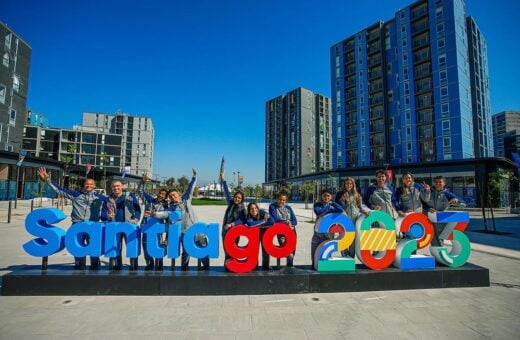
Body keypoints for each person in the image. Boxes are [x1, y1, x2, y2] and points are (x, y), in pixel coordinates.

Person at [37, 167, 108, 270]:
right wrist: (48, 180)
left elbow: (112, 201)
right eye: (87, 184)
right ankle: (80, 264)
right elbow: (59, 190)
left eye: (91, 184)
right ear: (84, 185)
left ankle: (95, 264)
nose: (88, 185)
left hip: (92, 226)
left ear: (94, 186)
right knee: (77, 246)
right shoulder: (76, 195)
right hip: (77, 225)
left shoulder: (100, 197)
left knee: (94, 246)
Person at [167, 168, 208, 271]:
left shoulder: (186, 199)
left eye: (174, 195)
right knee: (186, 252)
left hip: (195, 228)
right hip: (183, 232)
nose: (172, 197)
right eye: (170, 196)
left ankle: (206, 267)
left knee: (202, 247)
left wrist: (194, 177)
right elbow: (169, 222)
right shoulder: (171, 208)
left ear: (178, 195)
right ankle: (184, 269)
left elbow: (190, 189)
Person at [106, 179, 141, 270]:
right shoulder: (109, 198)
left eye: (118, 186)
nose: (116, 188)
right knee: (116, 246)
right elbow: (104, 212)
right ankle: (118, 265)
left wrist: (136, 219)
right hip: (115, 226)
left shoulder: (129, 196)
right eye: (114, 186)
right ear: (111, 188)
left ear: (122, 186)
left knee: (131, 246)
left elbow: (137, 209)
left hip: (128, 226)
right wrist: (108, 216)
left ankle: (133, 266)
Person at [137, 174, 169, 270]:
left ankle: (159, 266)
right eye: (160, 193)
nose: (160, 195)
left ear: (165, 197)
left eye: (163, 194)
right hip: (147, 229)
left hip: (157, 231)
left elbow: (169, 222)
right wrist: (142, 181)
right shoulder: (150, 200)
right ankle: (149, 264)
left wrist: (167, 237)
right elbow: (140, 191)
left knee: (158, 248)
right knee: (146, 248)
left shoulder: (166, 206)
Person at [335, 178, 370, 257]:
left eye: (351, 184)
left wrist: (364, 211)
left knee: (352, 239)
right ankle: (344, 256)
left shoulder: (356, 195)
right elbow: (336, 206)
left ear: (353, 185)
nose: (349, 185)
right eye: (347, 183)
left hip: (354, 219)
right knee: (343, 238)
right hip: (343, 220)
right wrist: (341, 212)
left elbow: (360, 206)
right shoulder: (339, 194)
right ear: (344, 184)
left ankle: (351, 257)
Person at [312, 188, 344, 268]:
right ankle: (314, 266)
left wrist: (331, 205)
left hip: (328, 234)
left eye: (328, 196)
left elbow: (340, 209)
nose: (326, 197)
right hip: (317, 233)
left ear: (331, 197)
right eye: (324, 196)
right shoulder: (317, 204)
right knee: (314, 253)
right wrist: (329, 208)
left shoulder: (332, 204)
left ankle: (326, 269)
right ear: (321, 196)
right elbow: (319, 212)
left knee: (327, 253)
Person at [220, 170, 247, 264]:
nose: (237, 199)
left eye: (239, 198)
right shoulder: (231, 203)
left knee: (232, 250)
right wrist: (223, 180)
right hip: (225, 230)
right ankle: (227, 266)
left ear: (241, 200)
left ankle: (231, 265)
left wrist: (232, 224)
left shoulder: (242, 209)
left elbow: (243, 220)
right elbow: (227, 192)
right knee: (226, 250)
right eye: (236, 197)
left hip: (234, 231)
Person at [424, 176, 459, 247]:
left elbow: (458, 199)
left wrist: (455, 200)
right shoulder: (429, 191)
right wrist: (428, 209)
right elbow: (423, 203)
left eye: (440, 182)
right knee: (432, 236)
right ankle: (439, 253)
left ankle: (440, 254)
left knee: (439, 237)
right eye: (436, 182)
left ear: (444, 183)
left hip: (439, 218)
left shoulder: (446, 193)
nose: (438, 184)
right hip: (428, 218)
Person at [269, 190, 297, 267]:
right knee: (286, 249)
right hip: (281, 232)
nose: (282, 201)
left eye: (284, 200)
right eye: (280, 199)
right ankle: (288, 265)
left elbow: (295, 220)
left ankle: (290, 266)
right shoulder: (273, 206)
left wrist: (291, 223)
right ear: (277, 199)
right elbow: (274, 218)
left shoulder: (288, 208)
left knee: (293, 249)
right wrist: (286, 222)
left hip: (291, 231)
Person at [246, 202, 274, 270]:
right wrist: (264, 220)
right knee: (254, 250)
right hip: (255, 235)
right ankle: (254, 266)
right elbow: (250, 224)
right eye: (251, 209)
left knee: (266, 250)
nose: (254, 210)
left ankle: (266, 266)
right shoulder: (248, 216)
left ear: (258, 208)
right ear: (249, 210)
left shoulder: (262, 212)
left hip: (265, 233)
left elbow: (272, 222)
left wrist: (257, 224)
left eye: (255, 208)